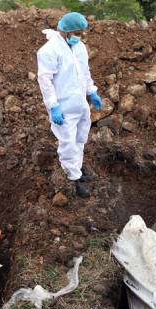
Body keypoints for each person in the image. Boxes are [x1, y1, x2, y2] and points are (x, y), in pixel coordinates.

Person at [36, 12, 103, 198]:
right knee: (67, 142)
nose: (80, 36)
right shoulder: (48, 51)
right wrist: (53, 106)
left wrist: (92, 91)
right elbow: (45, 80)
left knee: (80, 138)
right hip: (63, 106)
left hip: (80, 103)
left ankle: (78, 169)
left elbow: (84, 72)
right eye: (78, 32)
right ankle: (73, 179)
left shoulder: (79, 47)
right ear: (68, 31)